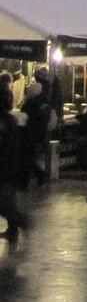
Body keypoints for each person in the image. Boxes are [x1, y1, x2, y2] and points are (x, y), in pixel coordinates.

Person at [0, 91, 31, 240]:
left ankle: (20, 221)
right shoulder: (10, 119)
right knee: (8, 198)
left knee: (5, 200)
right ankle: (13, 229)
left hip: (5, 165)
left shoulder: (5, 121)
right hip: (10, 164)